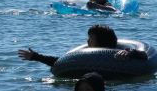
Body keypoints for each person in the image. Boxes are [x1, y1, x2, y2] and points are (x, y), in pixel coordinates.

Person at [17, 25, 147, 68]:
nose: (87, 41)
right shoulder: (86, 58)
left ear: (100, 41)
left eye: (90, 38)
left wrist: (130, 52)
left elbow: (144, 55)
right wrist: (36, 57)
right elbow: (62, 62)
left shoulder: (119, 54)